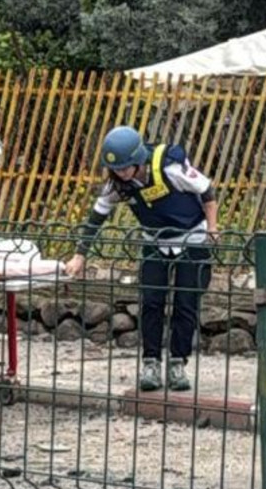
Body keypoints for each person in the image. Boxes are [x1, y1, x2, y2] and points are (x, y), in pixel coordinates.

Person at [64, 125, 218, 393]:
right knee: (151, 302)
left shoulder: (169, 169)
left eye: (126, 167)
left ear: (138, 160)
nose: (121, 173)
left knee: (186, 302)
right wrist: (80, 255)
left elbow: (207, 191)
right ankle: (150, 363)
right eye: (117, 169)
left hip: (192, 238)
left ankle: (178, 363)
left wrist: (213, 230)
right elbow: (97, 217)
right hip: (154, 241)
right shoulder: (117, 185)